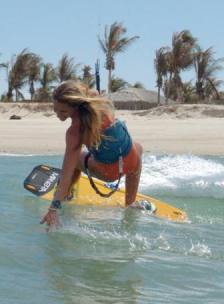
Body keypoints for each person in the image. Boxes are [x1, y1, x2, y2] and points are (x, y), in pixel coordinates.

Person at [40, 80, 145, 231]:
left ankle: (67, 194)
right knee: (137, 147)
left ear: (76, 106)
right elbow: (93, 92)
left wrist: (53, 207)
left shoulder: (74, 132)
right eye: (55, 109)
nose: (57, 114)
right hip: (132, 162)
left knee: (74, 160)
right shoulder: (100, 105)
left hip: (110, 173)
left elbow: (66, 174)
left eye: (63, 111)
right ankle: (130, 203)